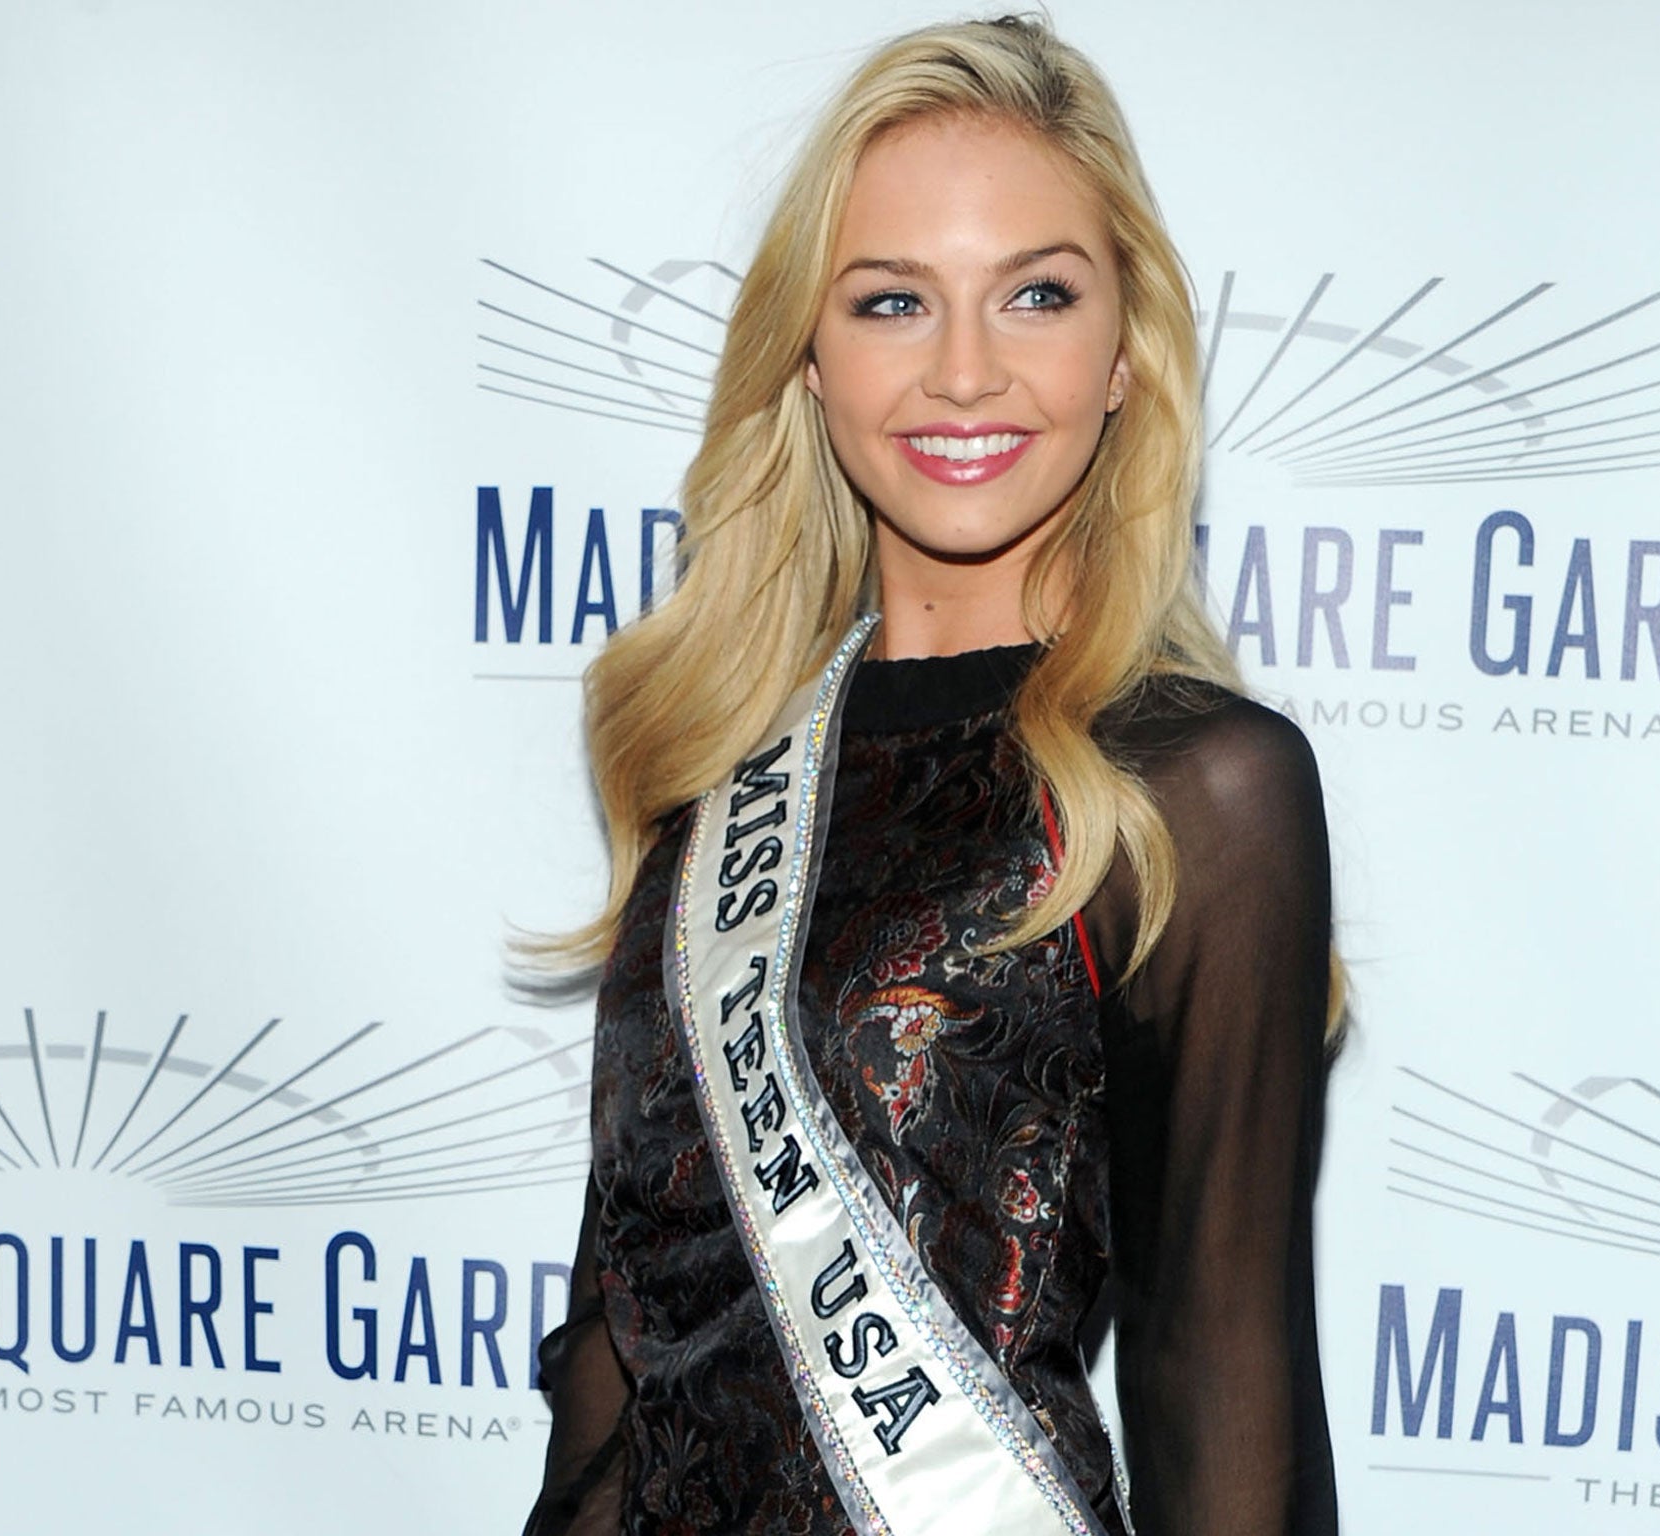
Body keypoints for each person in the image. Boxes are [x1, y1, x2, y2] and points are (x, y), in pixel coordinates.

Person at [524, 15, 1343, 1534]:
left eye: (1037, 294)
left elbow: (1218, 1369)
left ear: (1123, 357)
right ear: (813, 363)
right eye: (895, 301)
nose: (966, 373)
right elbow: (622, 1355)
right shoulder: (712, 758)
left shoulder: (1195, 788)